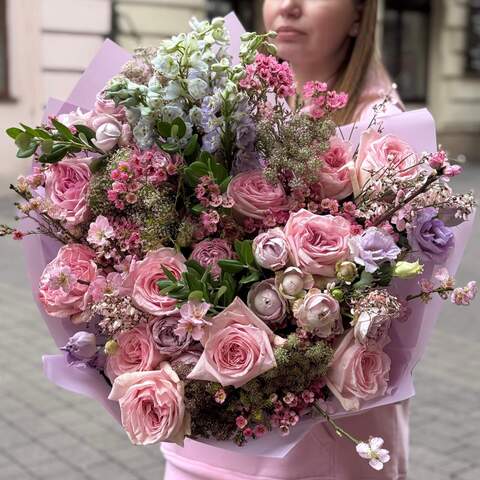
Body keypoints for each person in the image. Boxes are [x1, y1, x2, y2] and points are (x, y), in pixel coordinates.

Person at [161, 1, 409, 478]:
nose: (289, 5)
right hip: (209, 436)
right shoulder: (222, 103)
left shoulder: (384, 129)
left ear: (360, 15)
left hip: (320, 443)